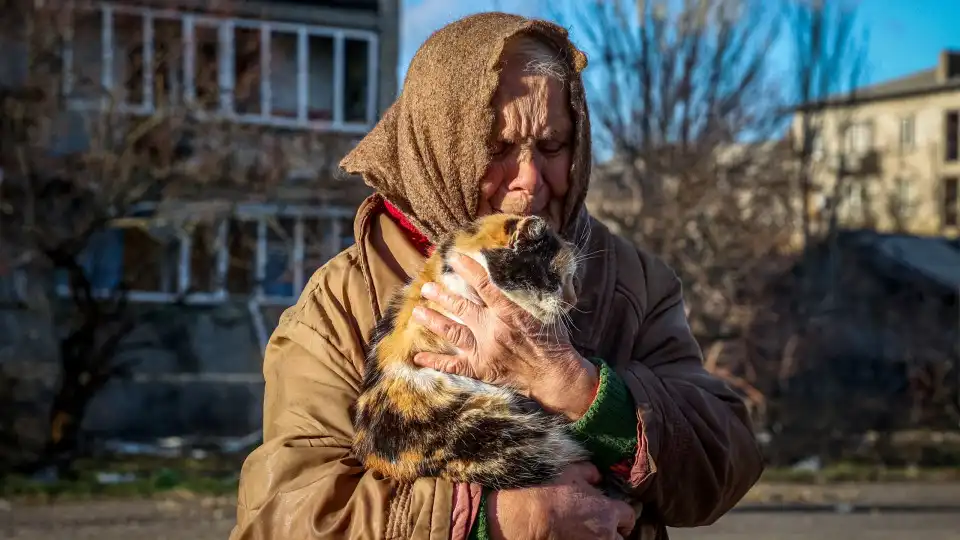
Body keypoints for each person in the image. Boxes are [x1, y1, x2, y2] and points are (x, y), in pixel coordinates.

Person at [229, 12, 763, 540]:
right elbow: (285, 517)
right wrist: (508, 519)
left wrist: (574, 385)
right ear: (437, 146)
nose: (528, 183)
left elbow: (724, 464)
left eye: (552, 147)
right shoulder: (341, 300)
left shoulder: (633, 277)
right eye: (497, 149)